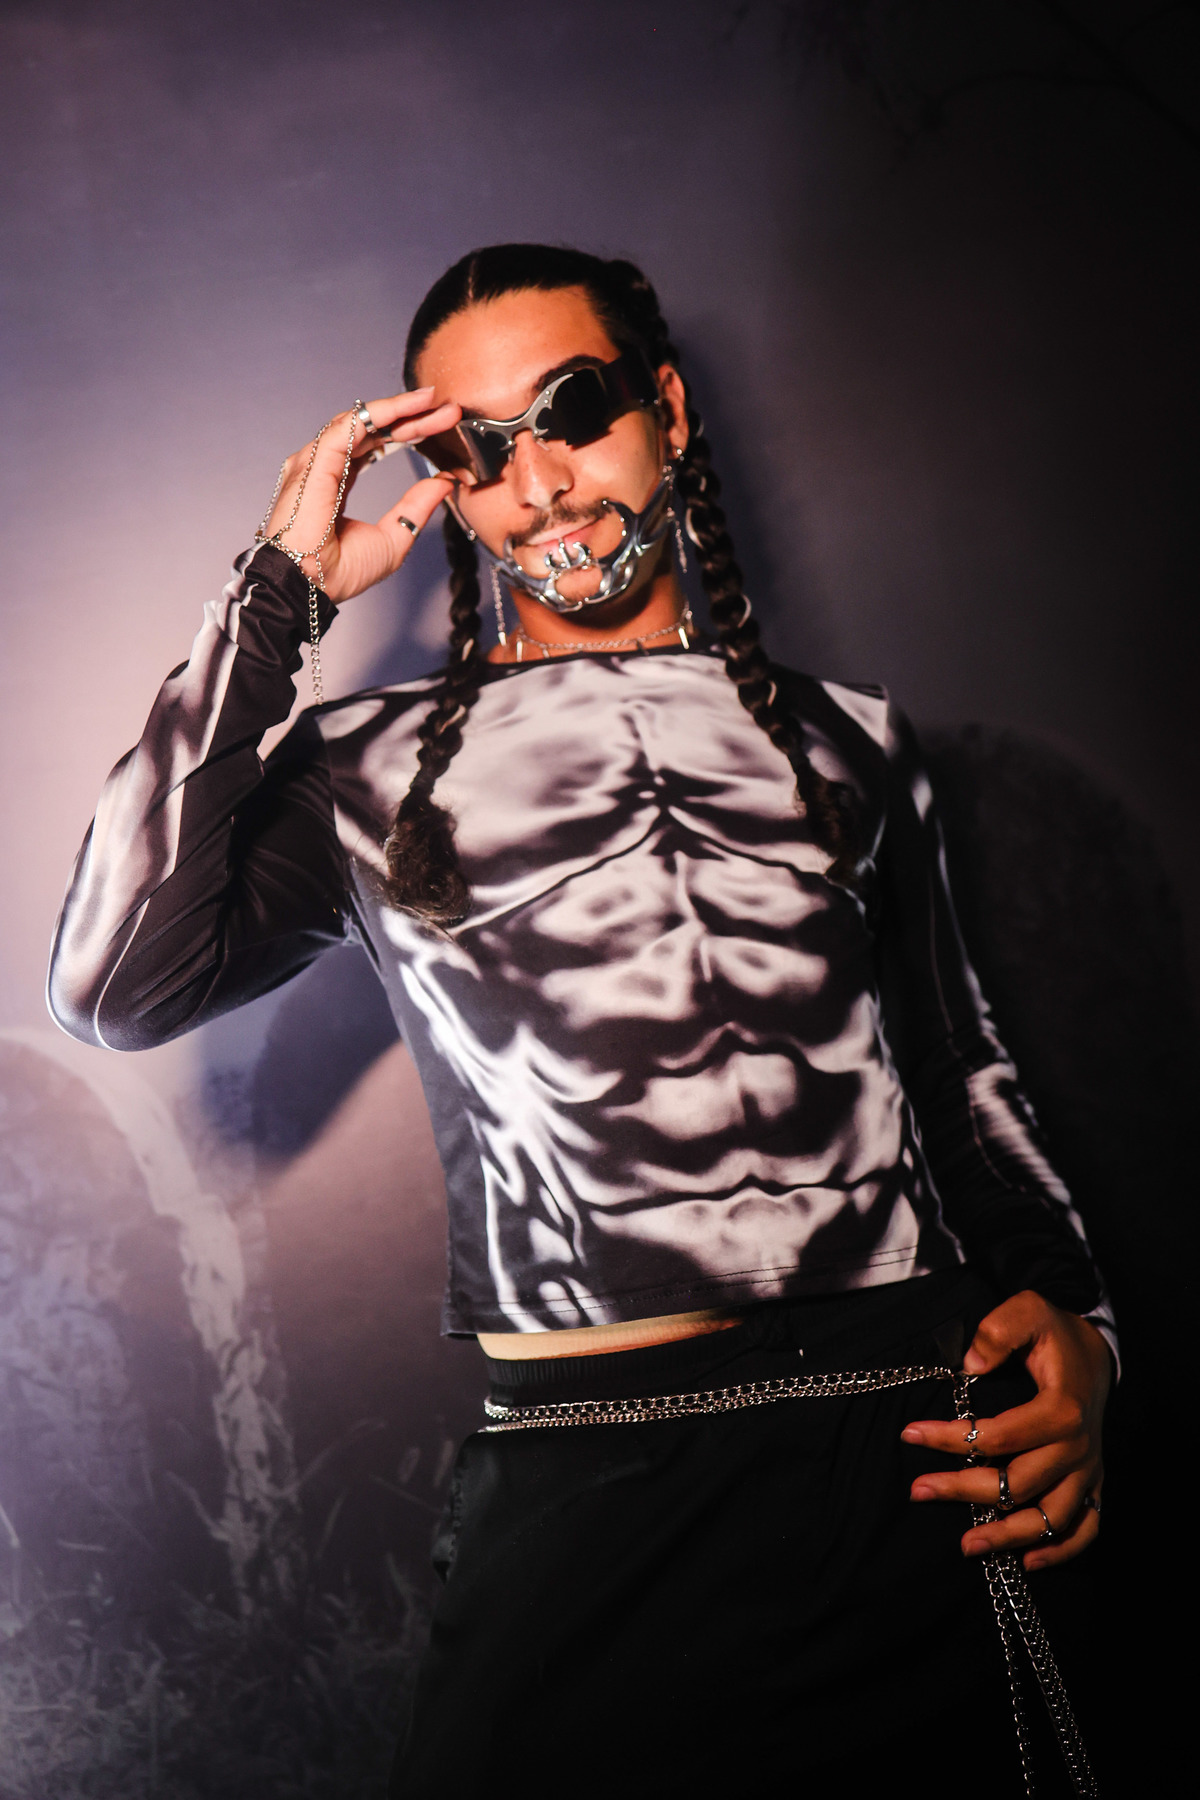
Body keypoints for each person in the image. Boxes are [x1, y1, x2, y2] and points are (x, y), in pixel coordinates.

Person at [48, 244, 1113, 1796]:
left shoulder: (851, 742)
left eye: (573, 410)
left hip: (907, 1455)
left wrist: (1086, 1329)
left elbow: (960, 1074)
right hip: (588, 1482)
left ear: (665, 408)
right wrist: (279, 592)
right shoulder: (372, 773)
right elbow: (112, 982)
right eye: (480, 450)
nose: (538, 484)